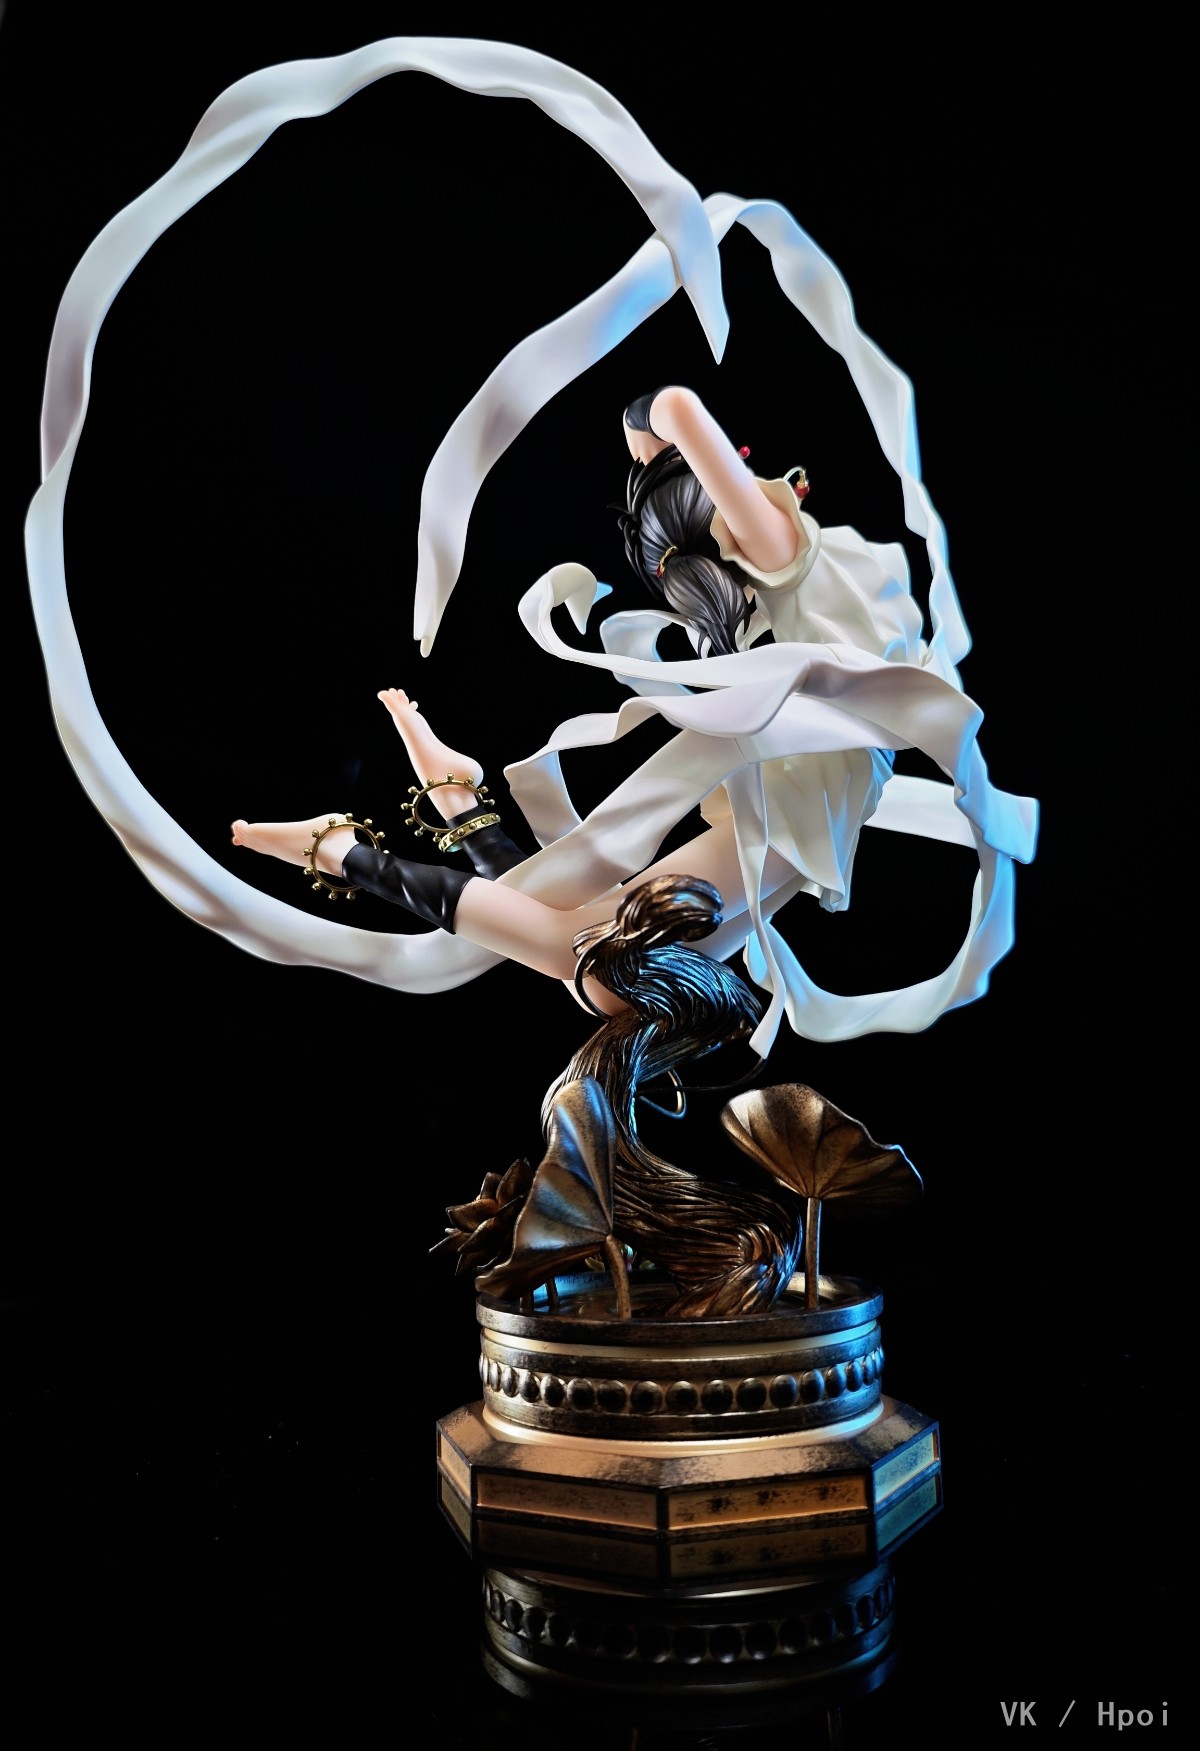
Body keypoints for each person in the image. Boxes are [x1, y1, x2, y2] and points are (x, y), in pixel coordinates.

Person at [231, 383, 1021, 1058]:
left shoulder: (781, 573)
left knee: (598, 974)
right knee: (593, 964)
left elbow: (677, 414)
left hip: (793, 823)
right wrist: (646, 434)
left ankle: (423, 817)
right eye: (732, 471)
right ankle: (375, 836)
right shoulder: (778, 551)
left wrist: (649, 452)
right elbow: (674, 404)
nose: (746, 470)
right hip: (784, 824)